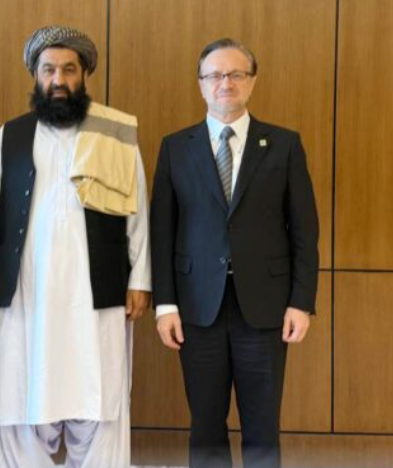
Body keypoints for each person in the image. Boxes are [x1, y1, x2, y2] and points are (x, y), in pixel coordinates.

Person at [0, 25, 151, 468]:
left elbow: (138, 211)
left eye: (69, 70)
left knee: (100, 399)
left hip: (98, 294)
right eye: (49, 69)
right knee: (22, 396)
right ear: (35, 76)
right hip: (26, 294)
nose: (58, 79)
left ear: (84, 75)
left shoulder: (114, 134)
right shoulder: (9, 136)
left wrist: (140, 279)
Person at [150, 38, 319, 468]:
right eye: (215, 75)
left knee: (262, 426)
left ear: (252, 81)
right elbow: (162, 231)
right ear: (201, 84)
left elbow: (305, 230)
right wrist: (165, 305)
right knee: (205, 425)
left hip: (264, 308)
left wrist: (301, 302)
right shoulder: (175, 147)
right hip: (197, 308)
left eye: (236, 74)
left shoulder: (283, 145)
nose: (225, 83)